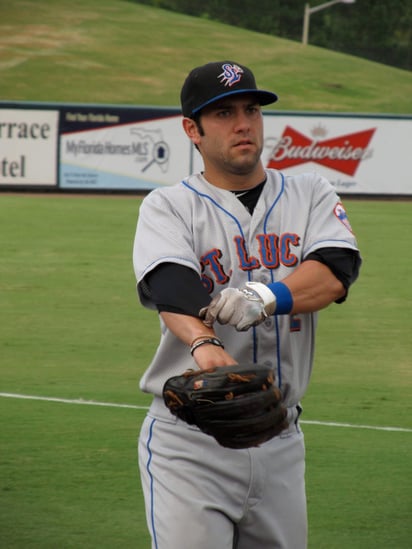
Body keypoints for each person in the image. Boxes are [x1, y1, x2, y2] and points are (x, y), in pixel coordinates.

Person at [132, 60, 361, 549]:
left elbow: (336, 269)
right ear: (191, 129)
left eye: (252, 110)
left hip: (280, 436)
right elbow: (168, 283)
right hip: (190, 442)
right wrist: (205, 344)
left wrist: (264, 296)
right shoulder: (169, 205)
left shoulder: (310, 191)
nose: (243, 123)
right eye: (224, 113)